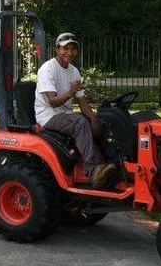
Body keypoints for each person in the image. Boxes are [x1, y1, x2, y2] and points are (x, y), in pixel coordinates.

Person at [34, 32, 117, 189]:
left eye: (73, 49)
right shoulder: (47, 69)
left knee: (102, 122)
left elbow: (81, 100)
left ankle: (112, 166)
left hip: (66, 115)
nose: (69, 53)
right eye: (65, 48)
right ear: (57, 49)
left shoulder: (73, 71)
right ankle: (94, 171)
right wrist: (71, 92)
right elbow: (52, 102)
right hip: (49, 116)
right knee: (79, 123)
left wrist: (94, 119)